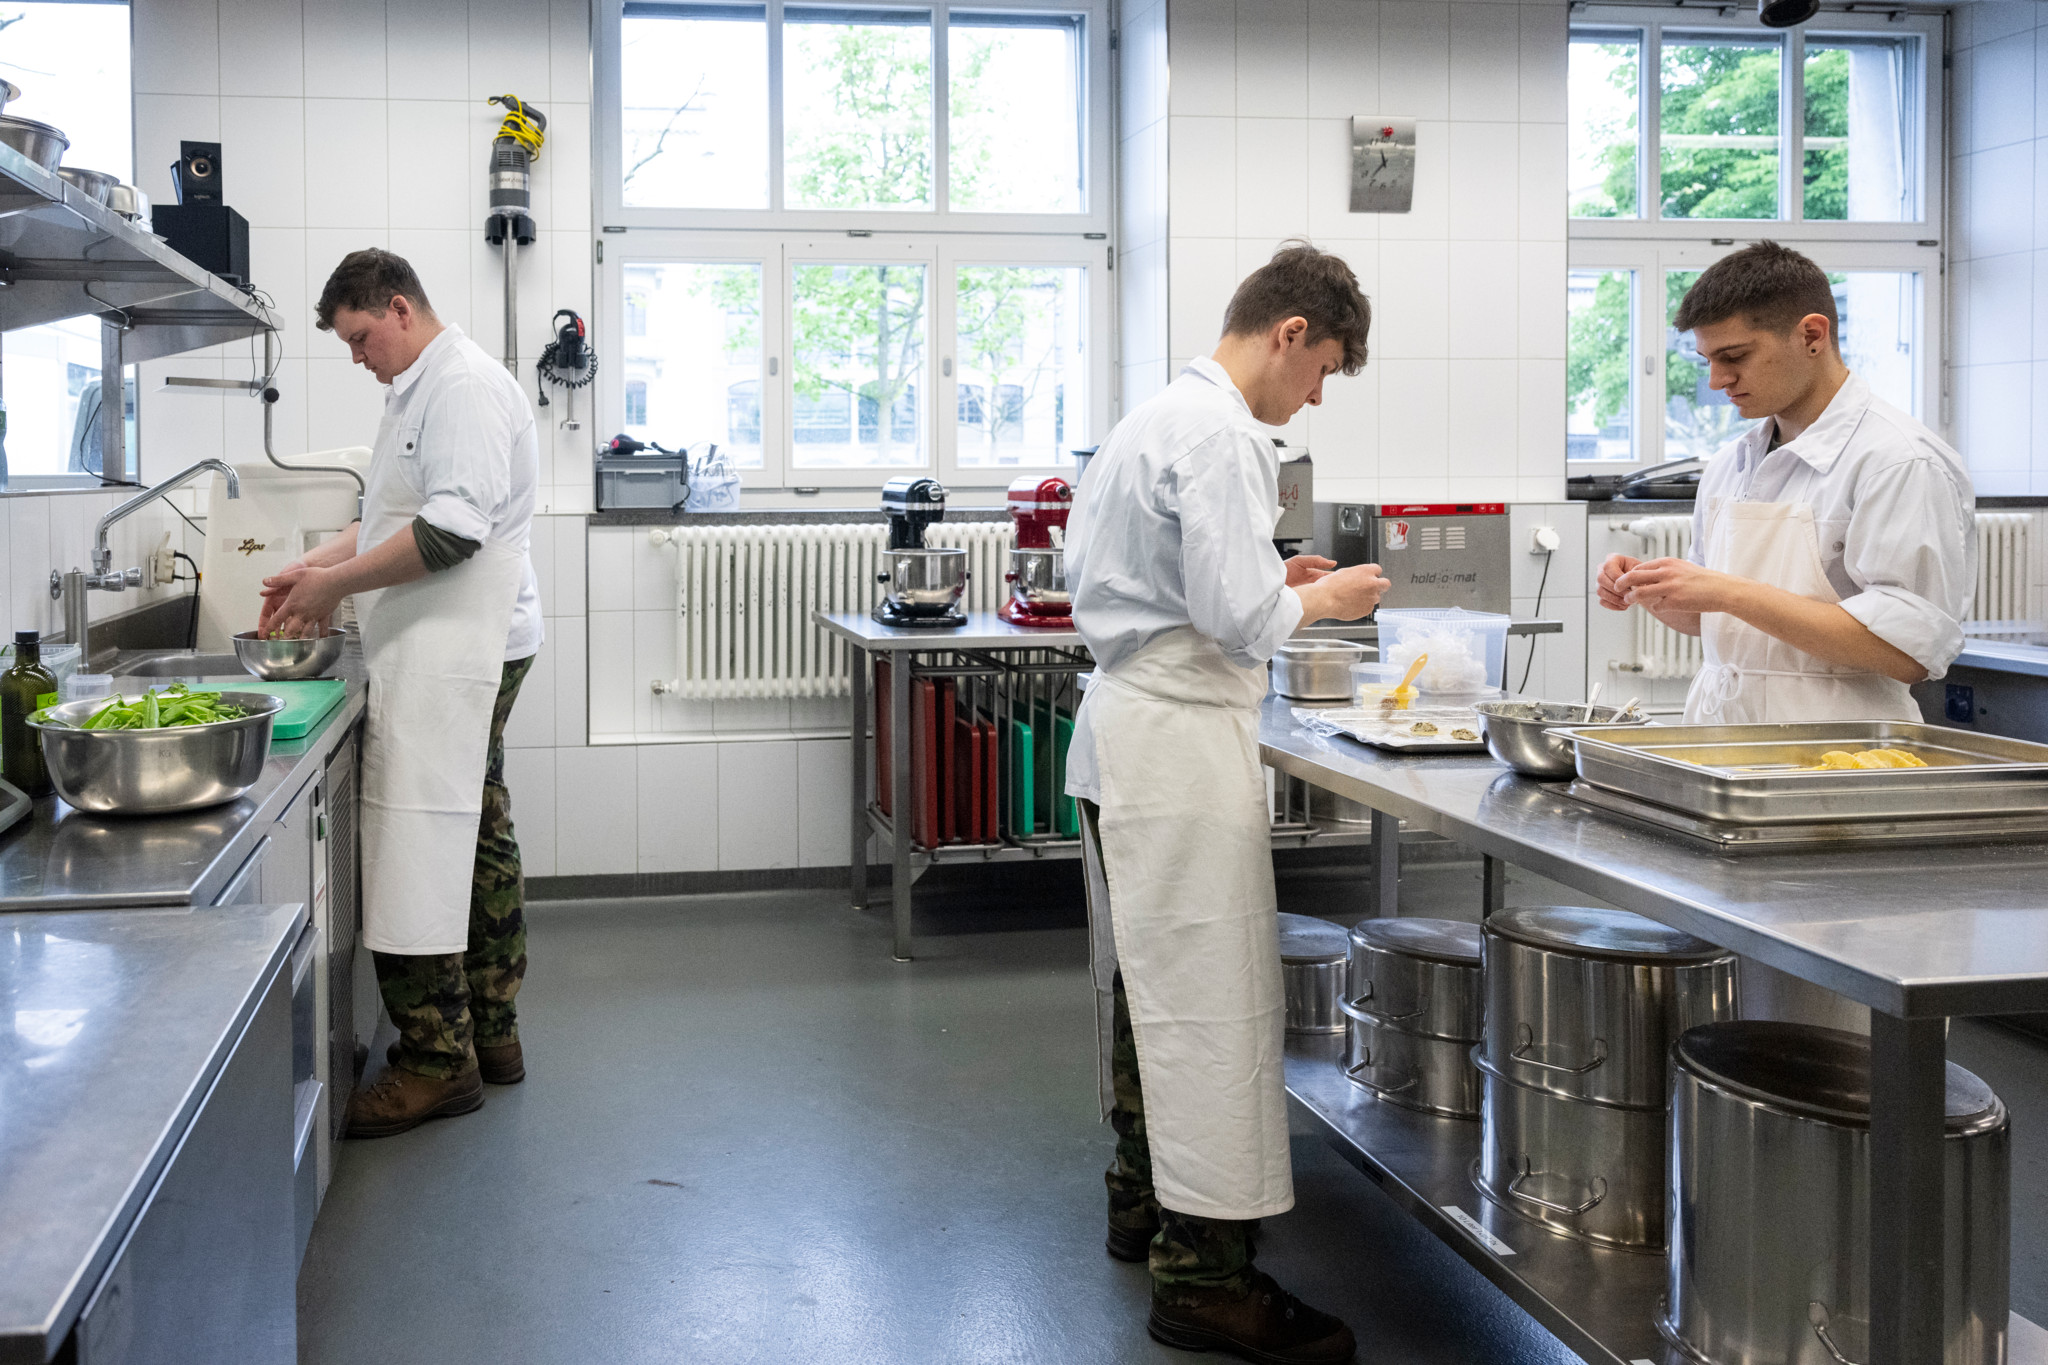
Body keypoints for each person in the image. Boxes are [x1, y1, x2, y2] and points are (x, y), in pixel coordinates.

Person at [1064, 242, 1390, 1365]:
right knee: (1205, 1003)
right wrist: (1329, 594)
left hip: (1128, 733)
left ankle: (1138, 1203)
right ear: (1289, 332)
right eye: (1321, 372)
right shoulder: (1220, 434)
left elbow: (1196, 588)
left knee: (1147, 987)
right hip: (1173, 748)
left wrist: (1271, 579)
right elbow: (1238, 621)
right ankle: (1205, 1282)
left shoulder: (1155, 417)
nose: (1313, 398)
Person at [1596, 240, 1973, 1029]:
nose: (1718, 380)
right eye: (1706, 360)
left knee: (1829, 1030)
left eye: (1734, 356)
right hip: (1729, 770)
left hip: (1838, 786)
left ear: (1812, 334)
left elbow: (1908, 647)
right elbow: (1727, 618)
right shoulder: (1736, 459)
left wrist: (1728, 589)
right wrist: (1666, 594)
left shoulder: (1897, 461)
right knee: (1727, 1021)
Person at [261, 249, 544, 1137]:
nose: (355, 357)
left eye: (357, 338)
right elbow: (393, 514)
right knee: (476, 824)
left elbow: (454, 531)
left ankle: (434, 1062)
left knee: (417, 832)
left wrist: (332, 591)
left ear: (397, 307)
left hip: (462, 642)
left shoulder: (460, 385)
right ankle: (491, 1036)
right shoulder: (416, 386)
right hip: (456, 639)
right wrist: (321, 561)